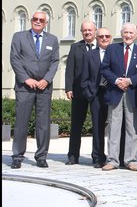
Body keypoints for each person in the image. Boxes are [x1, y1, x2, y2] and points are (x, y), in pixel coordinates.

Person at [10, 11, 60, 169]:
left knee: (43, 124)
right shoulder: (19, 37)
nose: (38, 21)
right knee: (21, 122)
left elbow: (55, 61)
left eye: (41, 20)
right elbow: (15, 59)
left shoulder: (52, 39)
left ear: (46, 23)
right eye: (35, 19)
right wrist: (26, 79)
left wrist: (46, 80)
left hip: (44, 88)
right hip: (25, 87)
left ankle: (41, 156)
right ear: (31, 21)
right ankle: (17, 156)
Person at [100, 23, 137, 172]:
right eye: (126, 32)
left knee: (133, 128)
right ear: (121, 33)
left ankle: (131, 160)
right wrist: (117, 80)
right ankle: (112, 160)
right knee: (113, 127)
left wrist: (130, 81)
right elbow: (104, 68)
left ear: (136, 35)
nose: (128, 35)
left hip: (133, 93)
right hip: (115, 92)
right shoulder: (112, 49)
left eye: (131, 33)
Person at [64, 20, 97, 165]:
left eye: (90, 30)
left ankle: (97, 156)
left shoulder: (102, 47)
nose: (88, 32)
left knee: (98, 124)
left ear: (95, 31)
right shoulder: (75, 47)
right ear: (81, 32)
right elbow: (69, 69)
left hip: (96, 92)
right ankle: (73, 156)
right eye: (85, 30)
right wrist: (68, 88)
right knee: (76, 124)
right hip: (78, 91)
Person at [80, 27, 113, 168]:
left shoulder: (115, 53)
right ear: (97, 38)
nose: (104, 38)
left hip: (112, 94)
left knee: (116, 127)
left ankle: (116, 156)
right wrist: (89, 95)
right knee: (98, 127)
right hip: (96, 95)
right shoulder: (89, 55)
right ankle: (98, 156)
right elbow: (84, 79)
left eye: (107, 36)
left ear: (110, 38)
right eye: (101, 36)